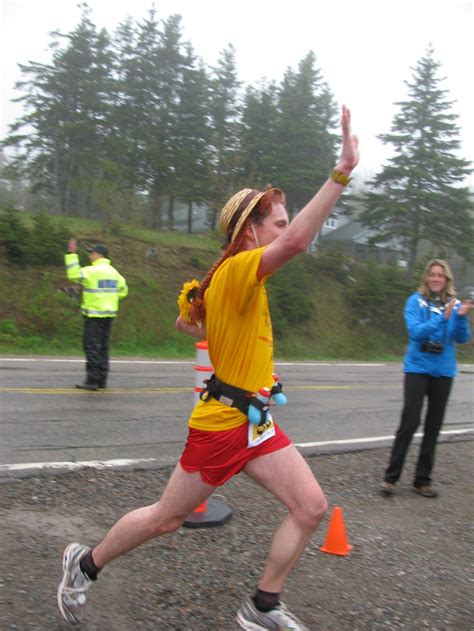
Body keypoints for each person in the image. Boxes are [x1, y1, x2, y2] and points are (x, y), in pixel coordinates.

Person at [57, 106, 359, 630]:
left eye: (286, 221)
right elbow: (299, 242)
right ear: (250, 233)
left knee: (310, 507)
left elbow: (185, 325)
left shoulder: (231, 278)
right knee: (166, 519)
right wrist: (340, 174)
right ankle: (83, 565)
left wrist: (227, 340)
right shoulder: (241, 269)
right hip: (221, 428)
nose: (287, 231)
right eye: (278, 222)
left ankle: (261, 607)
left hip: (255, 423)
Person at [381, 259, 472, 498]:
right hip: (417, 368)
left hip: (443, 371)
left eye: (440, 275)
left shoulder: (455, 304)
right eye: (432, 274)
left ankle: (422, 480)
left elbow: (462, 338)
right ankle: (391, 478)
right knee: (410, 421)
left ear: (447, 280)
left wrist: (460, 317)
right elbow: (416, 332)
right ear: (426, 278)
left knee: (434, 426)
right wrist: (442, 317)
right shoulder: (415, 301)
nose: (436, 279)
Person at [64, 240, 128, 390]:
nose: (90, 255)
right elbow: (124, 291)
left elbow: (73, 275)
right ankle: (102, 380)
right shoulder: (115, 273)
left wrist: (71, 254)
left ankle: (92, 380)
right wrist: (109, 299)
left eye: (92, 253)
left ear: (99, 255)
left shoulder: (90, 271)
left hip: (93, 315)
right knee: (103, 348)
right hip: (109, 315)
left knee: (92, 347)